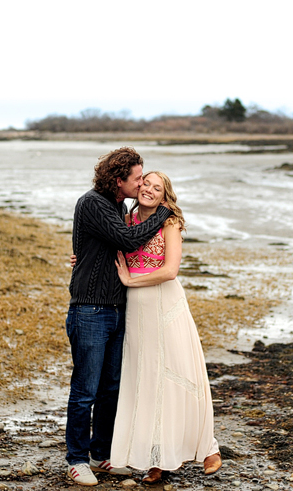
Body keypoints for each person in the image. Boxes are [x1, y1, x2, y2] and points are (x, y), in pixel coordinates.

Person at [65, 148, 172, 487]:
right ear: (118, 180)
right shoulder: (93, 202)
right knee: (86, 390)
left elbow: (122, 246)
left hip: (116, 308)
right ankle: (77, 459)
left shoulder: (119, 207)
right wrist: (164, 211)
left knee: (111, 387)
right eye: (138, 178)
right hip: (89, 310)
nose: (142, 184)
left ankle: (101, 455)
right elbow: (127, 238)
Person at [111, 171, 222, 484]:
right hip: (137, 310)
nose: (148, 189)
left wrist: (132, 280)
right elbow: (110, 253)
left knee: (179, 373)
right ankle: (158, 458)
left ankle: (208, 447)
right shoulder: (126, 221)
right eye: (145, 183)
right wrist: (83, 258)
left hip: (166, 304)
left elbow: (170, 270)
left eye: (157, 188)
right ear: (137, 187)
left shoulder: (169, 222)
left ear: (164, 196)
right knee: (146, 380)